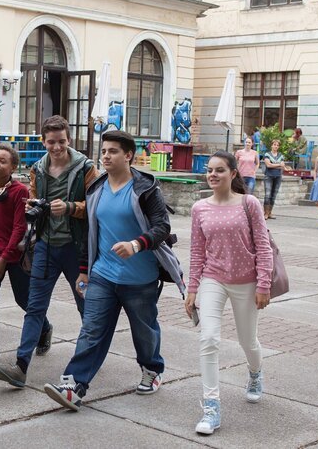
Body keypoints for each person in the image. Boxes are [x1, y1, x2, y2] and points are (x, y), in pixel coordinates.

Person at [43, 130, 185, 411]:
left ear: (128, 155)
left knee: (144, 332)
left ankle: (152, 368)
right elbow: (90, 233)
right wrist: (84, 270)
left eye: (113, 151)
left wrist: (136, 244)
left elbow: (162, 227)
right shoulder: (96, 188)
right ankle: (73, 385)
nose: (106, 156)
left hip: (140, 278)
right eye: (104, 151)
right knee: (91, 330)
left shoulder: (145, 188)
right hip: (103, 275)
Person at [0, 115, 99, 388]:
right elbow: (34, 198)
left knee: (85, 307)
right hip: (45, 246)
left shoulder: (86, 167)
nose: (56, 147)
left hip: (77, 251)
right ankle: (20, 366)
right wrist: (33, 207)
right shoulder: (37, 169)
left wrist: (71, 207)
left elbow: (98, 206)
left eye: (61, 141)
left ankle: (86, 362)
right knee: (35, 307)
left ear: (69, 139)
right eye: (51, 142)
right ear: (43, 141)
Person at [185, 151, 273, 435]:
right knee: (209, 338)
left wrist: (263, 285)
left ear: (233, 173)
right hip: (214, 279)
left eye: (220, 170)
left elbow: (263, 246)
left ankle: (255, 373)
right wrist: (192, 289)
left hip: (247, 282)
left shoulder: (249, 204)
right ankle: (211, 407)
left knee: (249, 341)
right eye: (210, 170)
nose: (213, 175)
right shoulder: (200, 207)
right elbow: (197, 251)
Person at [0, 146, 51, 373]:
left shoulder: (19, 191)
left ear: (13, 167)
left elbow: (18, 228)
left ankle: (44, 327)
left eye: (2, 161)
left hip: (15, 253)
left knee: (24, 300)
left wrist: (3, 259)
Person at [262, 139, 290, 219]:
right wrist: (279, 165)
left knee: (273, 195)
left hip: (278, 176)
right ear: (271, 145)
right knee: (267, 195)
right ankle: (265, 213)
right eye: (274, 145)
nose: (276, 146)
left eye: (277, 145)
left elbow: (282, 165)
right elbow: (268, 165)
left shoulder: (280, 155)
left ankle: (270, 213)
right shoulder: (267, 154)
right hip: (269, 176)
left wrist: (280, 166)